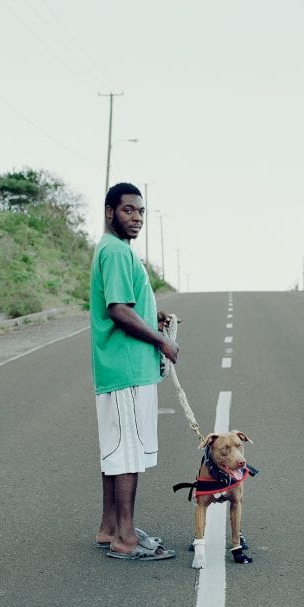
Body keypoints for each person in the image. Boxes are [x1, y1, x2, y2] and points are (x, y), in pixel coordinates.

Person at [89, 182, 180, 561]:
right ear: (110, 212)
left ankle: (110, 527)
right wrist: (161, 341)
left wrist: (150, 316)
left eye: (140, 212)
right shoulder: (114, 251)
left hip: (117, 368)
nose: (137, 218)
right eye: (128, 210)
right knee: (128, 454)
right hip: (127, 368)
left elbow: (128, 305)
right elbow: (118, 310)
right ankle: (126, 539)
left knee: (117, 452)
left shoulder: (116, 250)